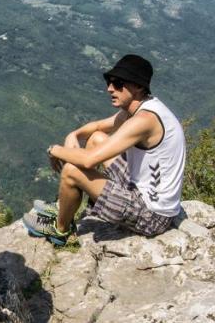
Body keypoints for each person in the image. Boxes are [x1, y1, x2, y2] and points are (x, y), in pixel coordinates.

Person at [23, 54, 185, 245]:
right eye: (109, 81)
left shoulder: (144, 121)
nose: (110, 88)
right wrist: (73, 135)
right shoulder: (142, 108)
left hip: (153, 215)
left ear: (139, 86)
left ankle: (60, 229)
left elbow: (88, 161)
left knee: (71, 170)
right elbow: (98, 127)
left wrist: (54, 149)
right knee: (96, 140)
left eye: (118, 83)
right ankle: (64, 205)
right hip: (140, 187)